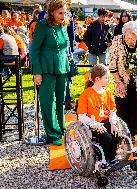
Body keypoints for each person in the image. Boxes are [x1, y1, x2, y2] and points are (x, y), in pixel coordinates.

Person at [30, 0, 70, 146]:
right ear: (51, 12)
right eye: (60, 13)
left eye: (64, 12)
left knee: (60, 101)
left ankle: (61, 128)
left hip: (61, 66)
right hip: (46, 67)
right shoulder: (42, 25)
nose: (63, 15)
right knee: (48, 102)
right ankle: (53, 134)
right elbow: (34, 50)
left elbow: (65, 47)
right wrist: (37, 72)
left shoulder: (63, 25)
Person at [109, 21, 137, 142]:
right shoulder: (117, 40)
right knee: (121, 107)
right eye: (127, 36)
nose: (130, 39)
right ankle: (122, 134)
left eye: (133, 37)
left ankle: (132, 134)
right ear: (124, 33)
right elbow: (112, 64)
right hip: (121, 79)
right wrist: (118, 82)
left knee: (135, 107)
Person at [77, 64, 120, 163]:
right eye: (106, 78)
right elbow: (81, 116)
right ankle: (102, 160)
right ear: (97, 79)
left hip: (106, 121)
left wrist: (113, 123)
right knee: (107, 137)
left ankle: (111, 157)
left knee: (116, 134)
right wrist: (96, 125)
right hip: (92, 124)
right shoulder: (86, 95)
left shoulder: (107, 92)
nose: (108, 80)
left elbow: (113, 110)